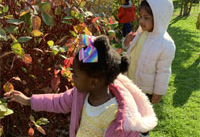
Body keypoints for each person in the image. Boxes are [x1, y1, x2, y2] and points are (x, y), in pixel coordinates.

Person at [4, 35, 157, 137]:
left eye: (76, 74)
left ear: (93, 82)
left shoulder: (118, 116)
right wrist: (27, 100)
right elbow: (57, 102)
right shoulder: (81, 94)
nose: (72, 77)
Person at [123, 0, 175, 104]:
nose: (141, 21)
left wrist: (158, 93)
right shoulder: (142, 32)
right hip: (131, 81)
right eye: (140, 17)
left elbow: (163, 72)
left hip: (145, 90)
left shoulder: (165, 44)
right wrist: (126, 42)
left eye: (146, 18)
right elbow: (132, 49)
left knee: (141, 115)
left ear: (158, 18)